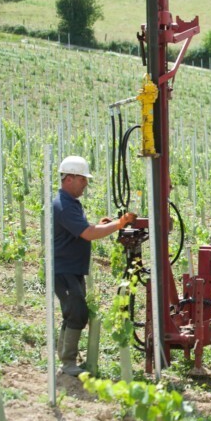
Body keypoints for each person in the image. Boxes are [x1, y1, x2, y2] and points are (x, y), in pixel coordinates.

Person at [53, 155, 135, 376]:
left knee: (73, 312)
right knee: (77, 312)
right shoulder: (63, 205)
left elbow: (82, 230)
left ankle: (64, 357)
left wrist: (100, 225)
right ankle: (67, 362)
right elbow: (87, 234)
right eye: (82, 179)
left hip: (72, 269)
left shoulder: (70, 203)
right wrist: (119, 224)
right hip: (64, 270)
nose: (85, 184)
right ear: (69, 178)